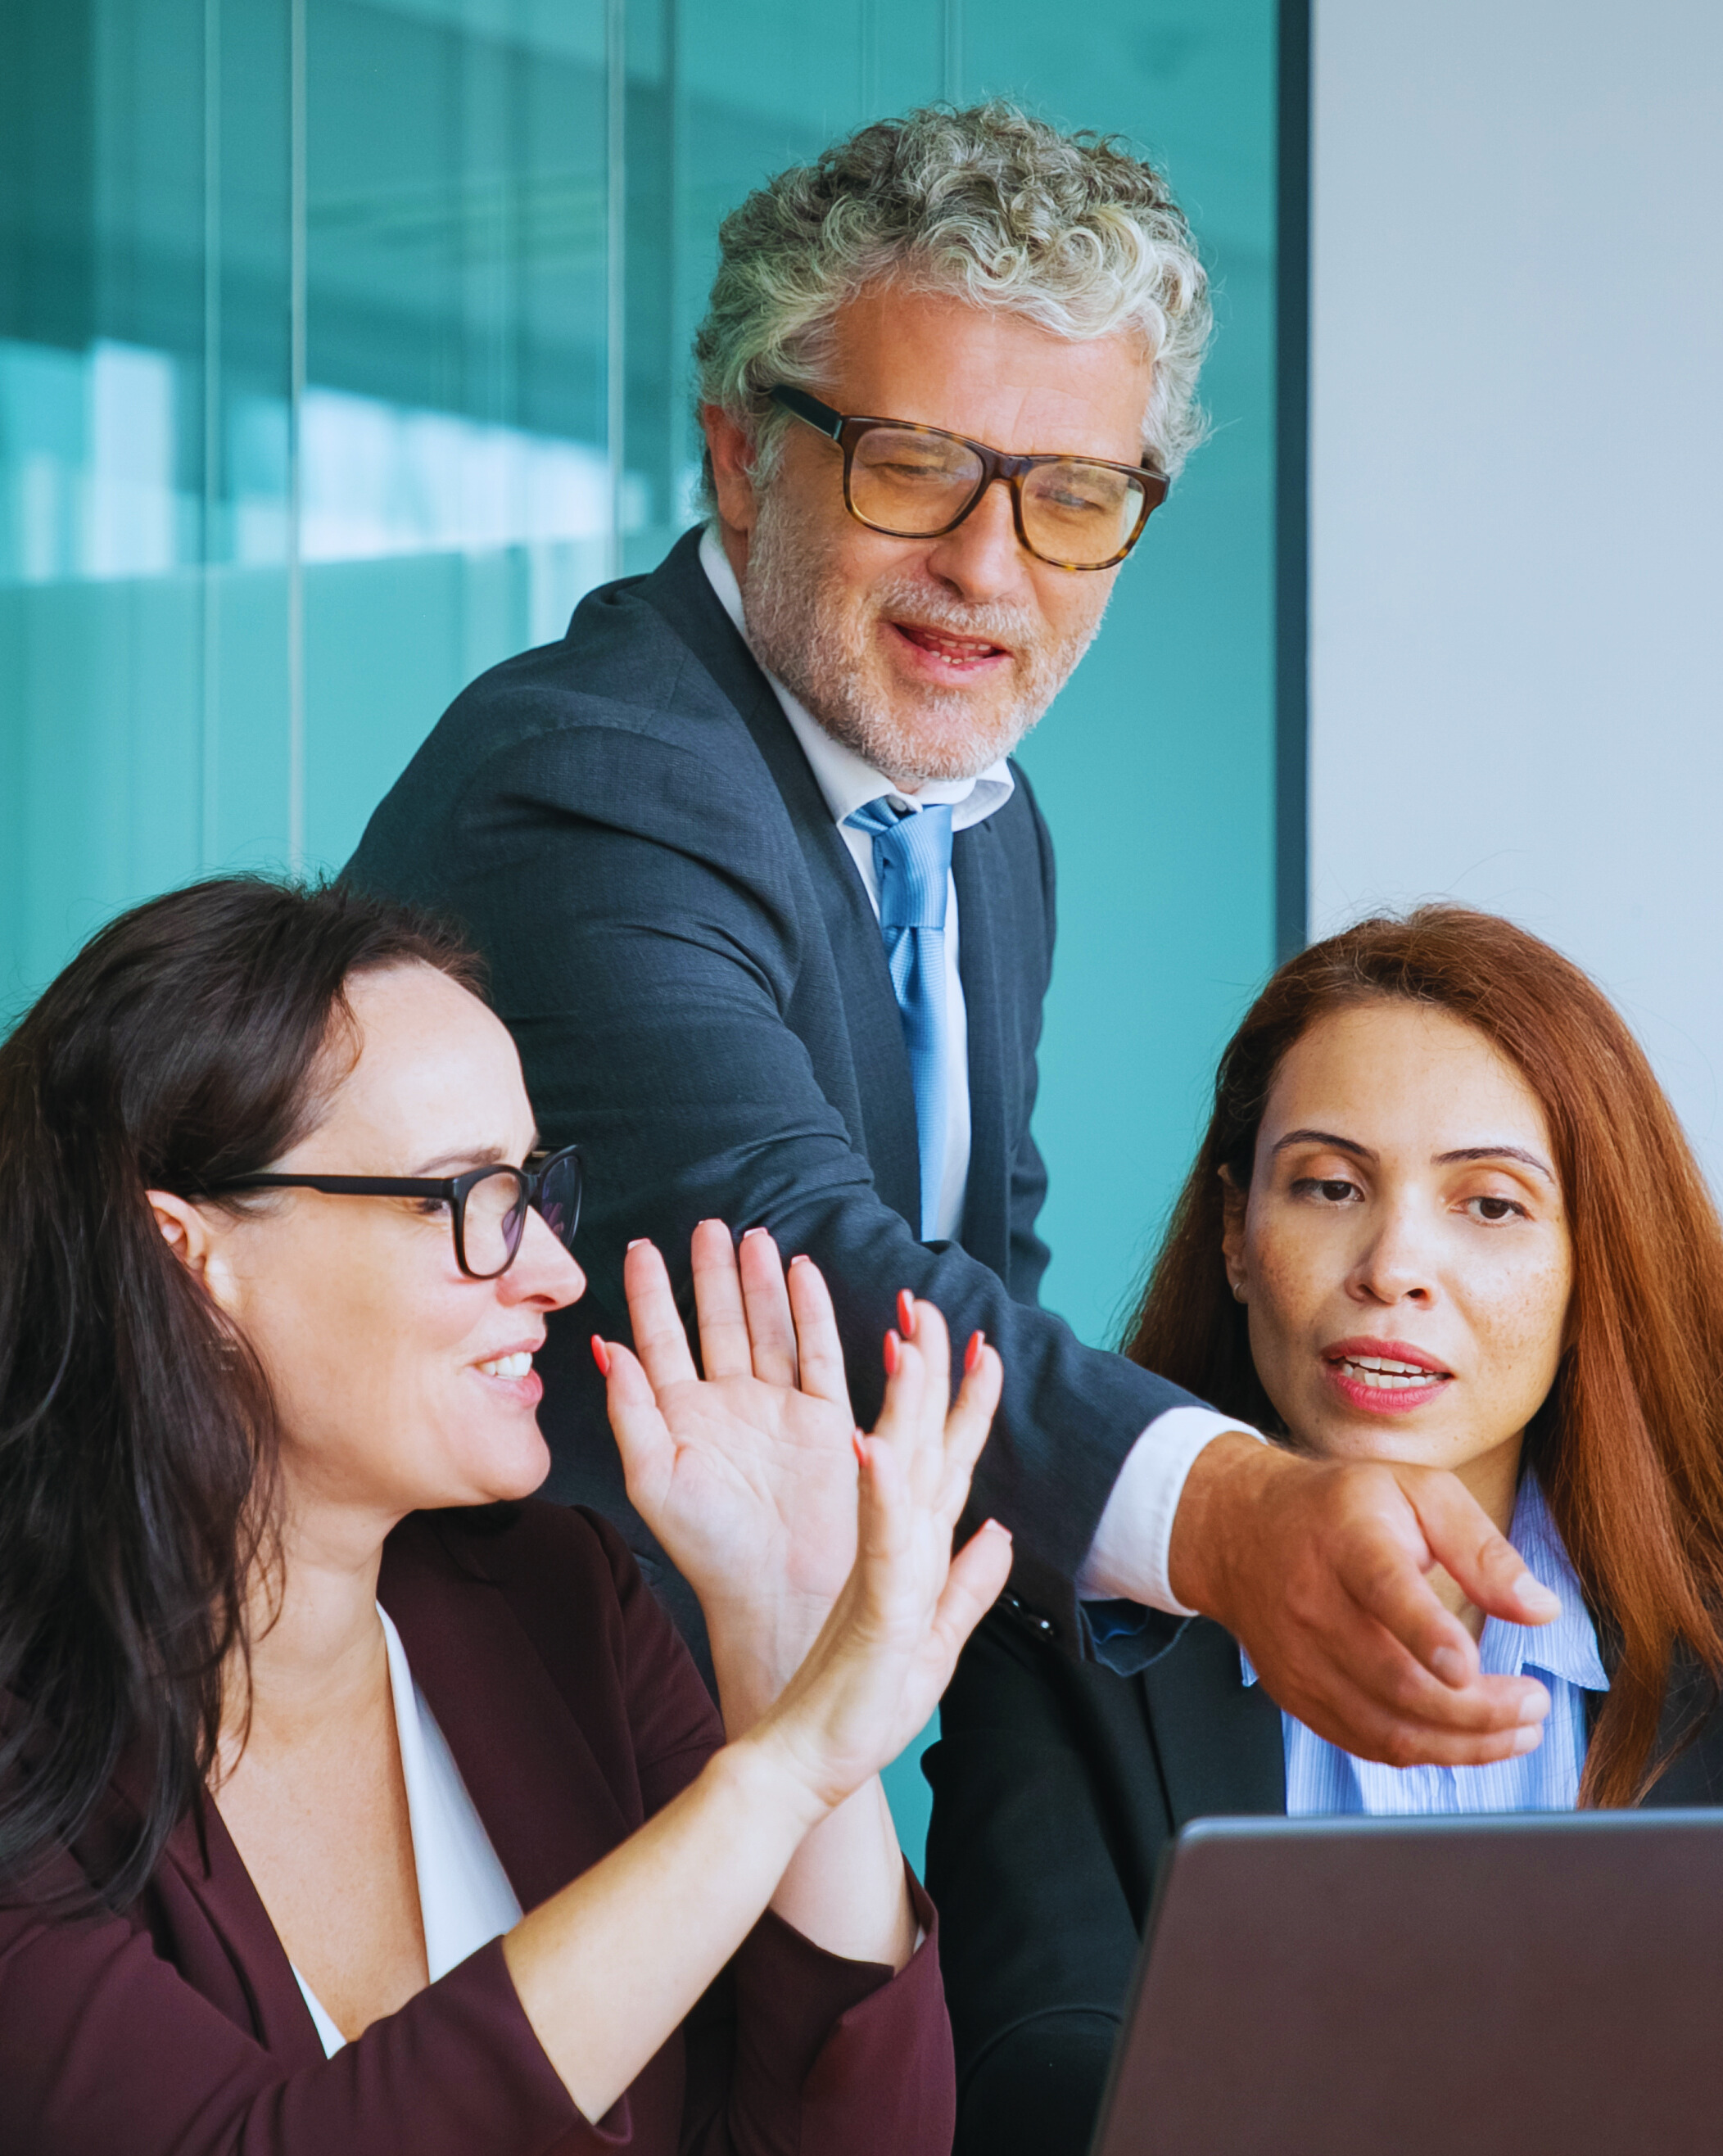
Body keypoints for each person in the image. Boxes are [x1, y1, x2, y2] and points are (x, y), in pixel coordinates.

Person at [345, 101, 1556, 1768]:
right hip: (483, 1769)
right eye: (911, 466)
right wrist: (1226, 1516)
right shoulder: (594, 778)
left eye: (1069, 495)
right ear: (736, 457)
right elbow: (788, 1249)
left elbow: (984, 1288)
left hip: (759, 1766)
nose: (986, 566)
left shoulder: (975, 819)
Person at [0, 875, 1014, 2155]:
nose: (554, 1270)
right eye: (465, 1200)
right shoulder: (25, 1740)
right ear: (189, 1259)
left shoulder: (563, 1604)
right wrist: (777, 1776)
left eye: (533, 1189)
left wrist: (780, 1649)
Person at [924, 904, 1723, 2155]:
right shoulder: (1050, 1620)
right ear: (1240, 1235)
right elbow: (1036, 2070)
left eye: (1492, 1205)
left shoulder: (1709, 1638)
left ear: (1591, 1263)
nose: (1394, 1263)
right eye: (1331, 1185)